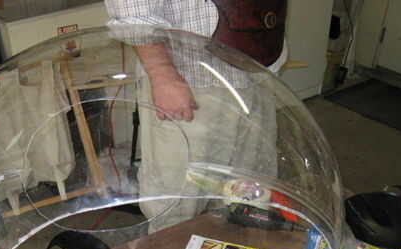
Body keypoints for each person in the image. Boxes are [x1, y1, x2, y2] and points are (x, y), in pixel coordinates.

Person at [104, 0, 288, 231]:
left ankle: (235, 245)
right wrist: (161, 72)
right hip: (190, 78)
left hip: (256, 64)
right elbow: (133, 8)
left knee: (250, 188)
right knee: (178, 199)